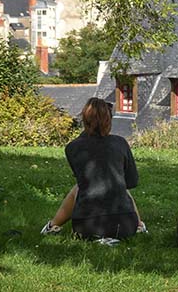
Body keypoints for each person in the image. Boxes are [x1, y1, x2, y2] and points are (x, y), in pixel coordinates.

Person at [41, 97, 145, 242]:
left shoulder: (73, 148)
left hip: (86, 227)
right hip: (125, 226)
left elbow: (84, 182)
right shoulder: (120, 143)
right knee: (121, 187)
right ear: (109, 120)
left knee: (79, 187)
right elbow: (131, 181)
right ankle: (139, 225)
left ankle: (52, 225)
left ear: (85, 119)